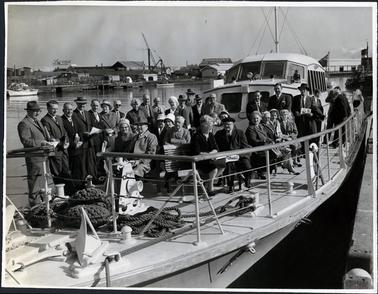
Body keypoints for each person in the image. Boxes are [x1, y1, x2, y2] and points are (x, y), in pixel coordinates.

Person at [17, 101, 52, 206]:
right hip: (34, 158)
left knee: (43, 182)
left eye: (38, 111)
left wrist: (49, 141)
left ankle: (44, 204)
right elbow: (26, 141)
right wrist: (41, 143)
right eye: (35, 111)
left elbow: (43, 136)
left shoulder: (37, 121)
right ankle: (34, 207)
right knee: (34, 184)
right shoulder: (24, 123)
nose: (37, 113)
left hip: (43, 156)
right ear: (28, 111)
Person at [41, 100, 72, 193]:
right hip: (55, 151)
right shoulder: (45, 120)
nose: (55, 111)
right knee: (57, 173)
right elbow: (49, 137)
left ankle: (68, 192)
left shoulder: (59, 118)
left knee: (66, 171)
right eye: (53, 109)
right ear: (48, 108)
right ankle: (60, 193)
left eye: (56, 109)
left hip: (64, 150)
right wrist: (60, 143)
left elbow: (64, 132)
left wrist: (67, 141)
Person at [215, 117, 252, 192]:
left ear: (233, 124)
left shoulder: (240, 132)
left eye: (229, 124)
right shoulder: (219, 134)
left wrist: (239, 155)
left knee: (248, 166)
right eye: (225, 125)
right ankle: (230, 185)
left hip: (239, 155)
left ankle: (247, 182)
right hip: (226, 156)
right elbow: (216, 147)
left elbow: (245, 146)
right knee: (228, 166)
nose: (227, 126)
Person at [191, 120, 225, 196]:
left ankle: (208, 184)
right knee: (214, 168)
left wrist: (210, 154)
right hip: (199, 160)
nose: (210, 129)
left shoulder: (210, 135)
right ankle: (210, 188)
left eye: (210, 127)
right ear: (203, 127)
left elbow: (216, 148)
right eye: (209, 127)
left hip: (209, 158)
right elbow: (197, 152)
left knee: (223, 164)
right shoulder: (196, 136)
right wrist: (208, 155)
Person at [72, 96, 97, 180]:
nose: (82, 105)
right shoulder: (73, 114)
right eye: (80, 104)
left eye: (84, 104)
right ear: (77, 103)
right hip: (81, 142)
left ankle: (91, 179)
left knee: (90, 163)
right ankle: (83, 180)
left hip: (90, 142)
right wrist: (82, 134)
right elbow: (73, 129)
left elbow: (92, 126)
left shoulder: (88, 113)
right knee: (82, 164)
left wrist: (92, 132)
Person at [245, 111, 271, 179]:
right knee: (268, 154)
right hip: (256, 149)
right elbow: (253, 141)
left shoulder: (261, 126)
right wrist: (264, 141)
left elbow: (266, 136)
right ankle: (262, 172)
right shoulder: (250, 128)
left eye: (257, 118)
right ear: (251, 119)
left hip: (264, 146)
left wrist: (270, 140)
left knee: (281, 151)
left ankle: (265, 171)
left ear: (260, 119)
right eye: (254, 118)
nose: (256, 120)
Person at [87, 99, 105, 181]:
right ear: (91, 105)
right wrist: (97, 130)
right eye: (94, 105)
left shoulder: (100, 115)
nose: (95, 107)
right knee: (93, 159)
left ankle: (100, 174)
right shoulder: (88, 114)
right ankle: (94, 175)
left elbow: (102, 127)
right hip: (92, 140)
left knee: (100, 158)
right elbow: (88, 127)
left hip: (100, 140)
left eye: (97, 106)